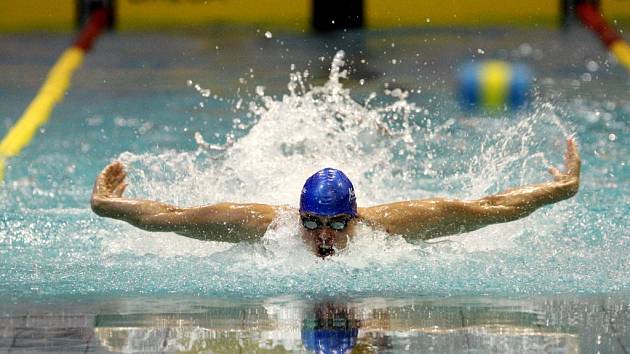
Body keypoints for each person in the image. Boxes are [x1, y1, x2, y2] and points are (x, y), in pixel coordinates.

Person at [91, 138, 580, 258]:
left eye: (337, 225)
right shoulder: (262, 226)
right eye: (312, 224)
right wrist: (107, 205)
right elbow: (173, 217)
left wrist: (560, 189)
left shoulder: (393, 226)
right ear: (299, 216)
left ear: (355, 216)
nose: (323, 237)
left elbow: (487, 208)